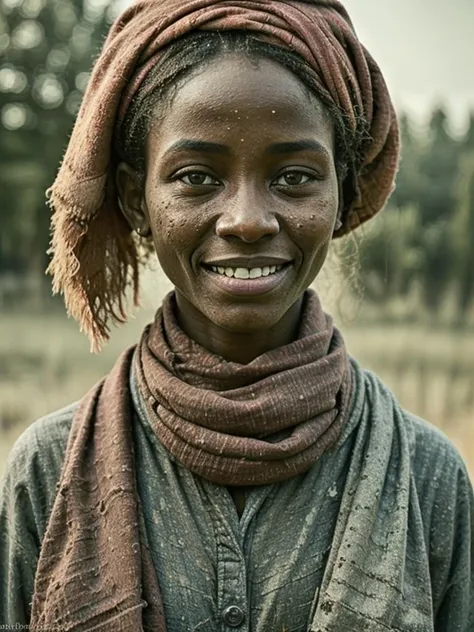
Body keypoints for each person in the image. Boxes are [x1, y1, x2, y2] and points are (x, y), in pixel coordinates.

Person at [0, 0, 473, 630]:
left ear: (343, 198)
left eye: (296, 176)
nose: (248, 219)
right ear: (135, 201)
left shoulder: (429, 479)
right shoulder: (48, 470)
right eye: (196, 177)